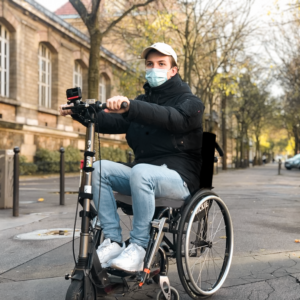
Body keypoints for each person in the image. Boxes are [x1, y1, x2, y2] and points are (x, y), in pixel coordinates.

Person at [60, 42, 204, 272]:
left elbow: (172, 118)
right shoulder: (141, 101)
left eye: (161, 64)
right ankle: (114, 241)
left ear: (173, 70)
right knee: (97, 169)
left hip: (179, 179)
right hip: (142, 174)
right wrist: (81, 113)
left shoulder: (191, 102)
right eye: (150, 64)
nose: (153, 68)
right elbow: (112, 121)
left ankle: (139, 246)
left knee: (141, 171)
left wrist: (131, 106)